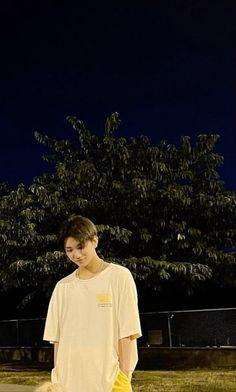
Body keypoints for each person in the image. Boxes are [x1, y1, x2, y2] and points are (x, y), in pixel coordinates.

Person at [42, 215, 142, 392]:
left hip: (109, 381)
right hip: (69, 382)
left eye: (81, 247)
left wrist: (124, 377)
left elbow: (127, 331)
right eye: (69, 250)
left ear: (94, 240)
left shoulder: (119, 277)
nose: (77, 255)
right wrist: (57, 379)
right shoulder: (62, 287)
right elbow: (56, 339)